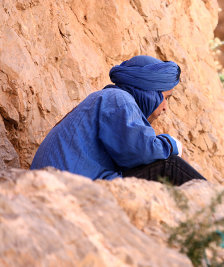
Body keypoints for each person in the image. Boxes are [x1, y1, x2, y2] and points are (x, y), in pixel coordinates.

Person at [31, 55, 206, 185]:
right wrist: (173, 144)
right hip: (66, 188)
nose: (165, 107)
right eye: (165, 97)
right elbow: (141, 151)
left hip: (66, 182)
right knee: (170, 165)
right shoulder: (118, 99)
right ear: (149, 91)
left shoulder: (109, 98)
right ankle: (221, 209)